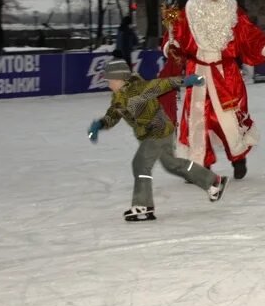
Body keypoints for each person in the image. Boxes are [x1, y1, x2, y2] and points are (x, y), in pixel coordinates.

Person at [159, 0, 265, 179]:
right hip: (197, 73)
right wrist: (171, 45)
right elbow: (174, 39)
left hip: (226, 74)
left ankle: (238, 157)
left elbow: (252, 37)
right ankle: (201, 164)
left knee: (228, 119)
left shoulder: (233, 12)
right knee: (199, 121)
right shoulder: (187, 14)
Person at [87, 59, 229, 222]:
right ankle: (213, 182)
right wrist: (100, 124)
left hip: (157, 131)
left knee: (140, 163)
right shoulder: (118, 97)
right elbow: (113, 114)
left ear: (120, 79)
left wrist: (187, 80)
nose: (108, 84)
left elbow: (164, 83)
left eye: (110, 80)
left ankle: (143, 205)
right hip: (151, 134)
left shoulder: (139, 89)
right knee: (172, 165)